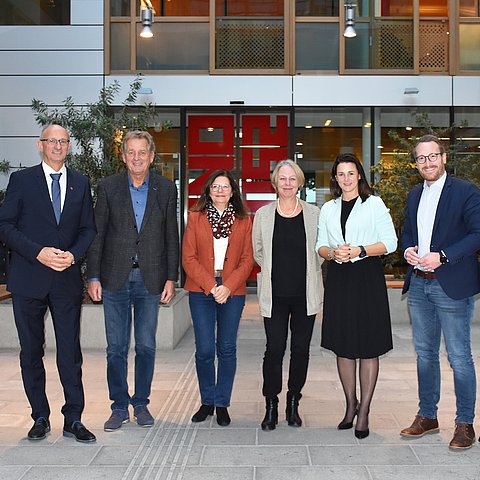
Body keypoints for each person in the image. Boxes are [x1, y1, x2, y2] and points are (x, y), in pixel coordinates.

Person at [0, 124, 97, 442]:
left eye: (62, 141)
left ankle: (74, 418)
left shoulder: (81, 183)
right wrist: (37, 253)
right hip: (29, 278)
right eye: (51, 141)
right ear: (40, 145)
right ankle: (39, 416)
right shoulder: (22, 180)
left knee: (70, 351)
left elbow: (88, 230)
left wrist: (72, 256)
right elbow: (6, 226)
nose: (57, 146)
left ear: (69, 146)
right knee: (31, 351)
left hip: (66, 280)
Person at [87, 130, 179, 431]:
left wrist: (170, 278)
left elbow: (170, 236)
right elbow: (97, 233)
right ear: (123, 156)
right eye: (131, 152)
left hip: (150, 279)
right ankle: (118, 406)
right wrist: (94, 275)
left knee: (146, 346)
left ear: (152, 156)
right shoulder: (109, 187)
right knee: (115, 347)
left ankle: (141, 404)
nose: (137, 158)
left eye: (143, 152)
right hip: (114, 278)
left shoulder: (165, 189)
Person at [400, 134, 480, 450]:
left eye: (433, 156)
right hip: (419, 285)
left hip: (451, 286)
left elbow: (477, 234)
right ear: (416, 163)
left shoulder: (465, 191)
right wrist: (407, 249)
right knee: (425, 355)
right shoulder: (413, 195)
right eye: (421, 158)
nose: (427, 162)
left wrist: (443, 256)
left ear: (443, 157)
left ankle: (465, 424)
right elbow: (408, 231)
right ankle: (427, 417)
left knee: (459, 356)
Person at [316, 152, 397, 439]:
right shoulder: (328, 208)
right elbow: (320, 246)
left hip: (367, 279)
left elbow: (390, 242)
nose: (346, 178)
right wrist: (332, 253)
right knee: (344, 344)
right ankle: (351, 404)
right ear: (335, 178)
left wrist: (360, 250)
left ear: (359, 175)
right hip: (339, 279)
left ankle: (364, 411)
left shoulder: (373, 204)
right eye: (341, 174)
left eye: (351, 173)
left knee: (368, 345)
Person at [252, 159, 322, 431]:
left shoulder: (314, 214)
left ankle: (294, 402)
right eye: (283, 178)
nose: (288, 183)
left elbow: (321, 251)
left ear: (300, 182)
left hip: (305, 295)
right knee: (274, 350)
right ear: (275, 182)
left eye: (293, 178)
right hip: (275, 295)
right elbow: (259, 252)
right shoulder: (264, 215)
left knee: (301, 350)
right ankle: (271, 404)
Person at [183, 169, 254, 427]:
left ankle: (222, 402)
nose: (220, 191)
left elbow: (248, 260)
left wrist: (229, 286)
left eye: (225, 187)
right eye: (216, 186)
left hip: (233, 291)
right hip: (201, 288)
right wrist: (213, 286)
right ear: (209, 190)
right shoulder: (195, 217)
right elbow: (188, 258)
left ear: (233, 192)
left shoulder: (244, 220)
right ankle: (207, 401)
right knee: (204, 349)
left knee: (226, 348)